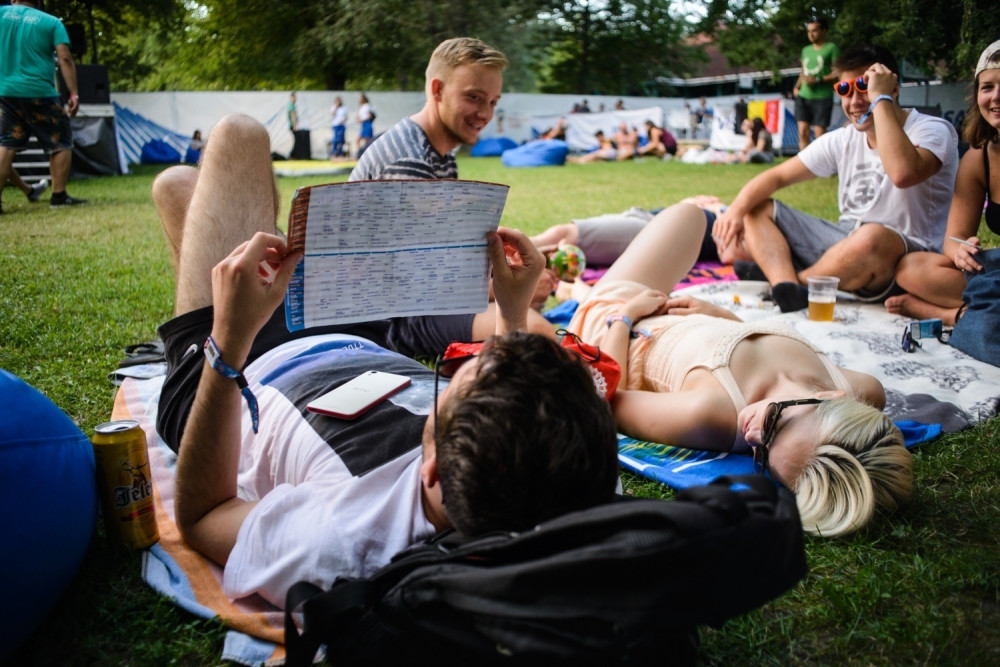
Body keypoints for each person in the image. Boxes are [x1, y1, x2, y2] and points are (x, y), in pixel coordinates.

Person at [152, 113, 620, 609]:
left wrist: (227, 340)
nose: (474, 360)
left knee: (230, 142)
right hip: (348, 332)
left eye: (463, 377)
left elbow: (205, 517)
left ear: (432, 469)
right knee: (187, 185)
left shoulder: (339, 537)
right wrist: (510, 311)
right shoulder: (573, 469)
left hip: (245, 363)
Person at [566, 202, 912, 537]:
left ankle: (577, 290)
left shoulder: (711, 414)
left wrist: (622, 318)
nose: (751, 436)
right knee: (692, 216)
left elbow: (608, 397)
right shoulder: (864, 390)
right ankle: (574, 285)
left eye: (760, 455)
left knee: (684, 217)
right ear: (831, 396)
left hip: (614, 325)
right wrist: (722, 317)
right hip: (678, 311)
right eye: (774, 424)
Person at [713, 44, 960, 312]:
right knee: (755, 206)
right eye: (844, 90)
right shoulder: (843, 138)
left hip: (903, 254)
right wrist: (735, 211)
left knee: (871, 237)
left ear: (892, 88)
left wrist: (881, 100)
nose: (854, 101)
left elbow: (903, 174)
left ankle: (798, 283)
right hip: (844, 239)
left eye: (864, 87)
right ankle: (786, 286)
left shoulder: (932, 130)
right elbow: (775, 177)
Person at [349, 37, 556, 357]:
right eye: (474, 98)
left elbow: (438, 256)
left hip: (417, 302)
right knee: (537, 330)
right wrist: (507, 291)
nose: (485, 114)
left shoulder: (440, 154)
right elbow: (410, 288)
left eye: (493, 102)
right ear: (436, 90)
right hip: (391, 321)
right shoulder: (409, 161)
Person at [885, 40, 1000, 326]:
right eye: (988, 87)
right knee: (912, 267)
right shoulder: (979, 158)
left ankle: (951, 315)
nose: (997, 97)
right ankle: (982, 315)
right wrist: (961, 252)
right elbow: (953, 239)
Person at [0, 0, 87, 210]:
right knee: (60, 141)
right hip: (40, 92)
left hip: (6, 92)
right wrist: (73, 93)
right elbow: (65, 58)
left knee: (6, 143)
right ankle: (59, 196)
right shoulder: (51, 22)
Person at [793, 18, 840, 151]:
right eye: (808, 31)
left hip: (823, 96)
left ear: (823, 31)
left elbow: (838, 72)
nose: (811, 34)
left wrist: (819, 80)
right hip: (804, 95)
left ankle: (821, 166)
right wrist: (797, 86)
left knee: (820, 135)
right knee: (802, 132)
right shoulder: (805, 50)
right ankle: (803, 166)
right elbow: (804, 71)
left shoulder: (831, 48)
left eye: (814, 31)